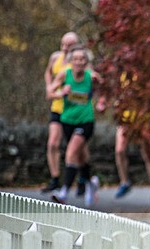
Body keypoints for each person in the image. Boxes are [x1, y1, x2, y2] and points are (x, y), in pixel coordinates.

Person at [46, 45, 103, 207]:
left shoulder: (91, 77)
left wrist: (101, 103)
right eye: (76, 59)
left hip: (86, 121)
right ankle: (91, 183)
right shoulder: (65, 75)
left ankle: (63, 192)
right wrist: (61, 93)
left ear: (86, 62)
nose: (79, 62)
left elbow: (103, 92)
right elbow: (49, 93)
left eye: (82, 59)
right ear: (71, 61)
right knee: (81, 157)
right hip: (67, 121)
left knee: (71, 153)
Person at [41, 32, 80, 193]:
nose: (64, 48)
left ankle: (82, 178)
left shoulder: (78, 62)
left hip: (73, 109)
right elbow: (48, 72)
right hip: (57, 107)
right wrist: (50, 87)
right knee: (53, 143)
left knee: (77, 148)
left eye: (68, 45)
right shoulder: (55, 57)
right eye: (63, 44)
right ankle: (55, 178)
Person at [114, 72, 150, 205]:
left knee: (147, 154)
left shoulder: (142, 73)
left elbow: (149, 96)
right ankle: (124, 182)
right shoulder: (120, 74)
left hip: (140, 120)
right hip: (125, 120)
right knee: (119, 151)